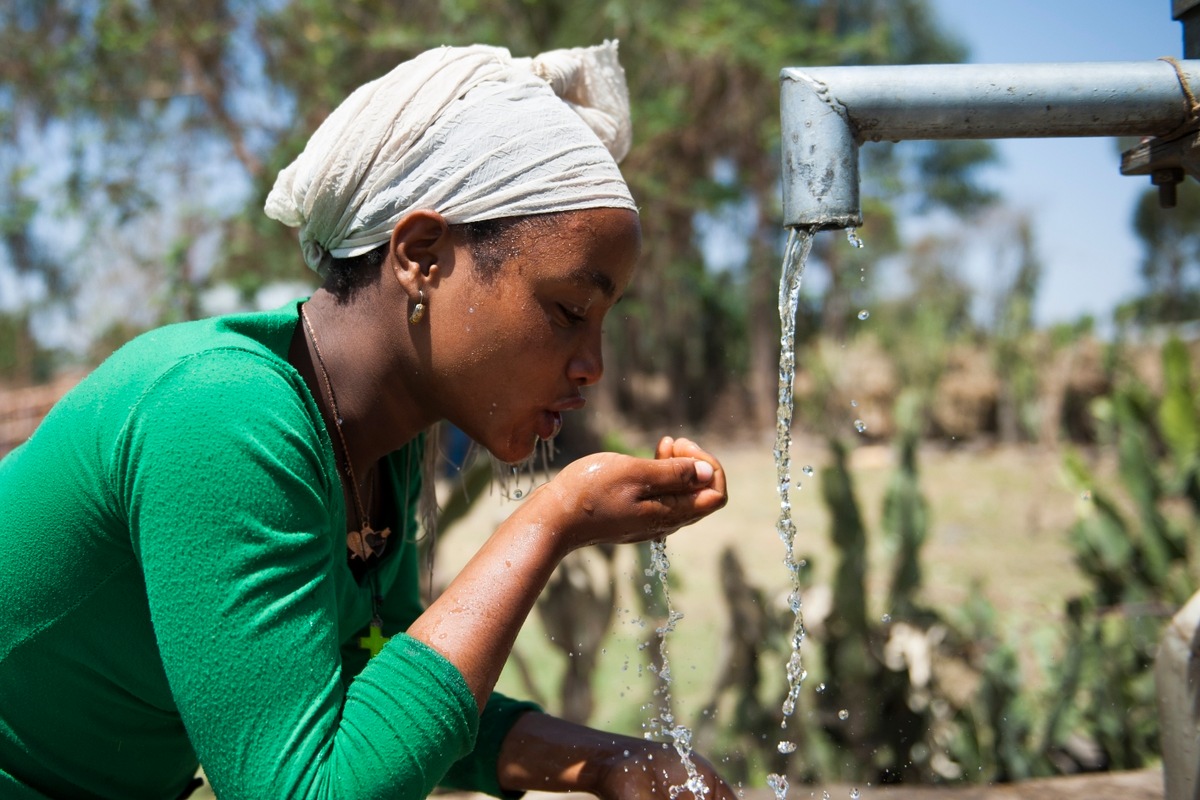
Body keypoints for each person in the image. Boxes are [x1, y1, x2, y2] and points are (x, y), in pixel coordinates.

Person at [0, 41, 735, 799]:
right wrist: (551, 523)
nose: (593, 365)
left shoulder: (374, 448)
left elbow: (376, 681)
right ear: (420, 255)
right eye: (567, 311)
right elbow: (302, 790)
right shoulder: (224, 414)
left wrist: (609, 761)